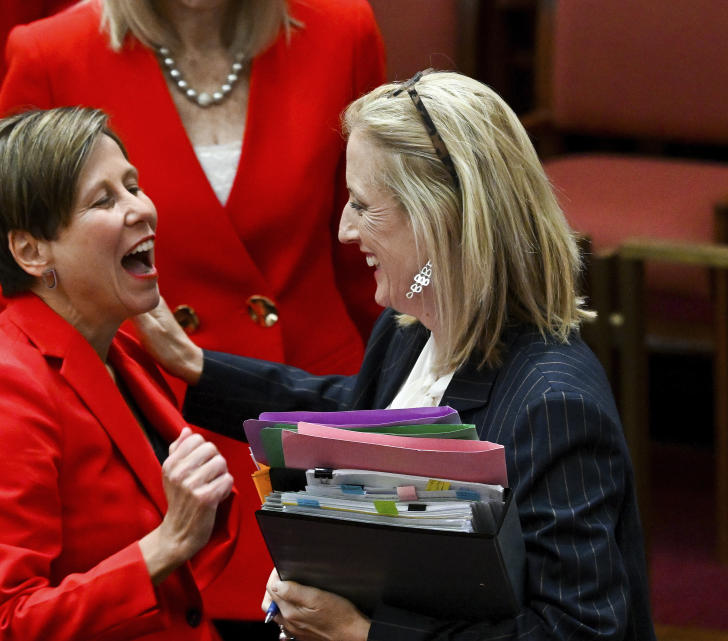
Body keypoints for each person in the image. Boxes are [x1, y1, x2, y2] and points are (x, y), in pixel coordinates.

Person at [133, 71, 656, 641]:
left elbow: (576, 629)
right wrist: (197, 367)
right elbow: (355, 417)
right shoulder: (406, 330)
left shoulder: (556, 404)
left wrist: (364, 634)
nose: (344, 230)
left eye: (362, 205)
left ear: (440, 219)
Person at [0, 0, 386, 626]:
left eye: (130, 189)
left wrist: (412, 396)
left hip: (318, 412)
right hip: (154, 434)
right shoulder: (51, 52)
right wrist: (40, 414)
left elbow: (383, 245)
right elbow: (4, 264)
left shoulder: (342, 30)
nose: (137, 208)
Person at [0, 106, 240, 641]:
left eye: (133, 185)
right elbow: (6, 625)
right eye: (105, 200)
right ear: (31, 251)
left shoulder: (117, 347)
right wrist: (165, 545)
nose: (142, 209)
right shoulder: (0, 390)